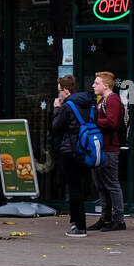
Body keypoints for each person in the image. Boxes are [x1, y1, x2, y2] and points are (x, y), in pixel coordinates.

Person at [51, 74, 93, 237]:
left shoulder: (68, 106)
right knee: (80, 186)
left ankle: (79, 226)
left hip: (71, 150)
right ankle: (76, 221)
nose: (59, 94)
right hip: (85, 149)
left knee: (74, 189)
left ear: (66, 91)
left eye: (60, 91)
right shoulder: (88, 104)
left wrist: (56, 109)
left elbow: (56, 127)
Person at [90, 71, 126, 232]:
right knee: (101, 185)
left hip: (109, 148)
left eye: (96, 83)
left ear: (106, 85)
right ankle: (105, 218)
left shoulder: (112, 100)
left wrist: (93, 121)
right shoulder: (103, 100)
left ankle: (118, 219)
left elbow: (112, 122)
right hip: (101, 147)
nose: (93, 85)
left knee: (111, 183)